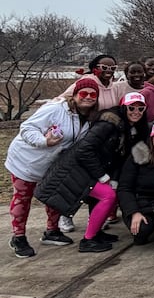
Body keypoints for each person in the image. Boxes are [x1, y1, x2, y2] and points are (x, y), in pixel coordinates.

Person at [36, 92, 150, 253]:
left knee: (110, 194)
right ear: (123, 108)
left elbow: (118, 156)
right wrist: (102, 176)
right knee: (108, 195)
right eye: (131, 107)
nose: (136, 111)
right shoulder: (108, 124)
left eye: (140, 108)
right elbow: (84, 150)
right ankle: (88, 239)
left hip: (92, 170)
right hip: (77, 170)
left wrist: (114, 178)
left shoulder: (130, 128)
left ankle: (97, 232)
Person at [6, 79, 98, 258]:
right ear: (75, 95)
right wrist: (44, 141)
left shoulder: (88, 119)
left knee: (54, 195)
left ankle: (52, 231)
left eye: (92, 94)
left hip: (53, 164)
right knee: (23, 198)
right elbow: (27, 128)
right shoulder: (56, 109)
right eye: (83, 94)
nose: (87, 98)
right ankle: (18, 237)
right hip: (27, 160)